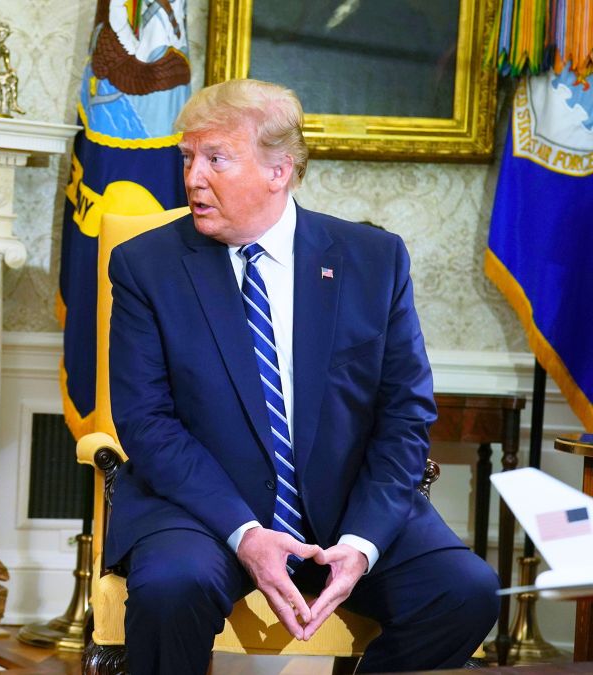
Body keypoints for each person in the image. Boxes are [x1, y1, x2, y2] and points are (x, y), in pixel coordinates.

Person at [105, 78, 498, 674]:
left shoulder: (373, 260)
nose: (192, 179)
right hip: (203, 510)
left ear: (279, 170)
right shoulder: (146, 266)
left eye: (216, 159)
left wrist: (363, 544)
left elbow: (404, 417)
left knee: (464, 592)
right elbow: (146, 422)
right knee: (171, 589)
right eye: (188, 158)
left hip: (345, 507)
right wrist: (245, 532)